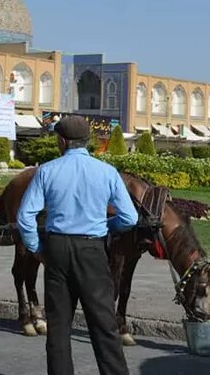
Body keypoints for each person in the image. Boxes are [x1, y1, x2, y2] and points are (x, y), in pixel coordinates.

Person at [16, 116, 139, 375]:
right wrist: (108, 227)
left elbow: (25, 216)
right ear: (87, 141)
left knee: (59, 328)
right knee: (104, 324)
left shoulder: (47, 171)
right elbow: (130, 217)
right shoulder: (106, 172)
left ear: (62, 141)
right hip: (92, 250)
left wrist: (36, 248)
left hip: (57, 248)